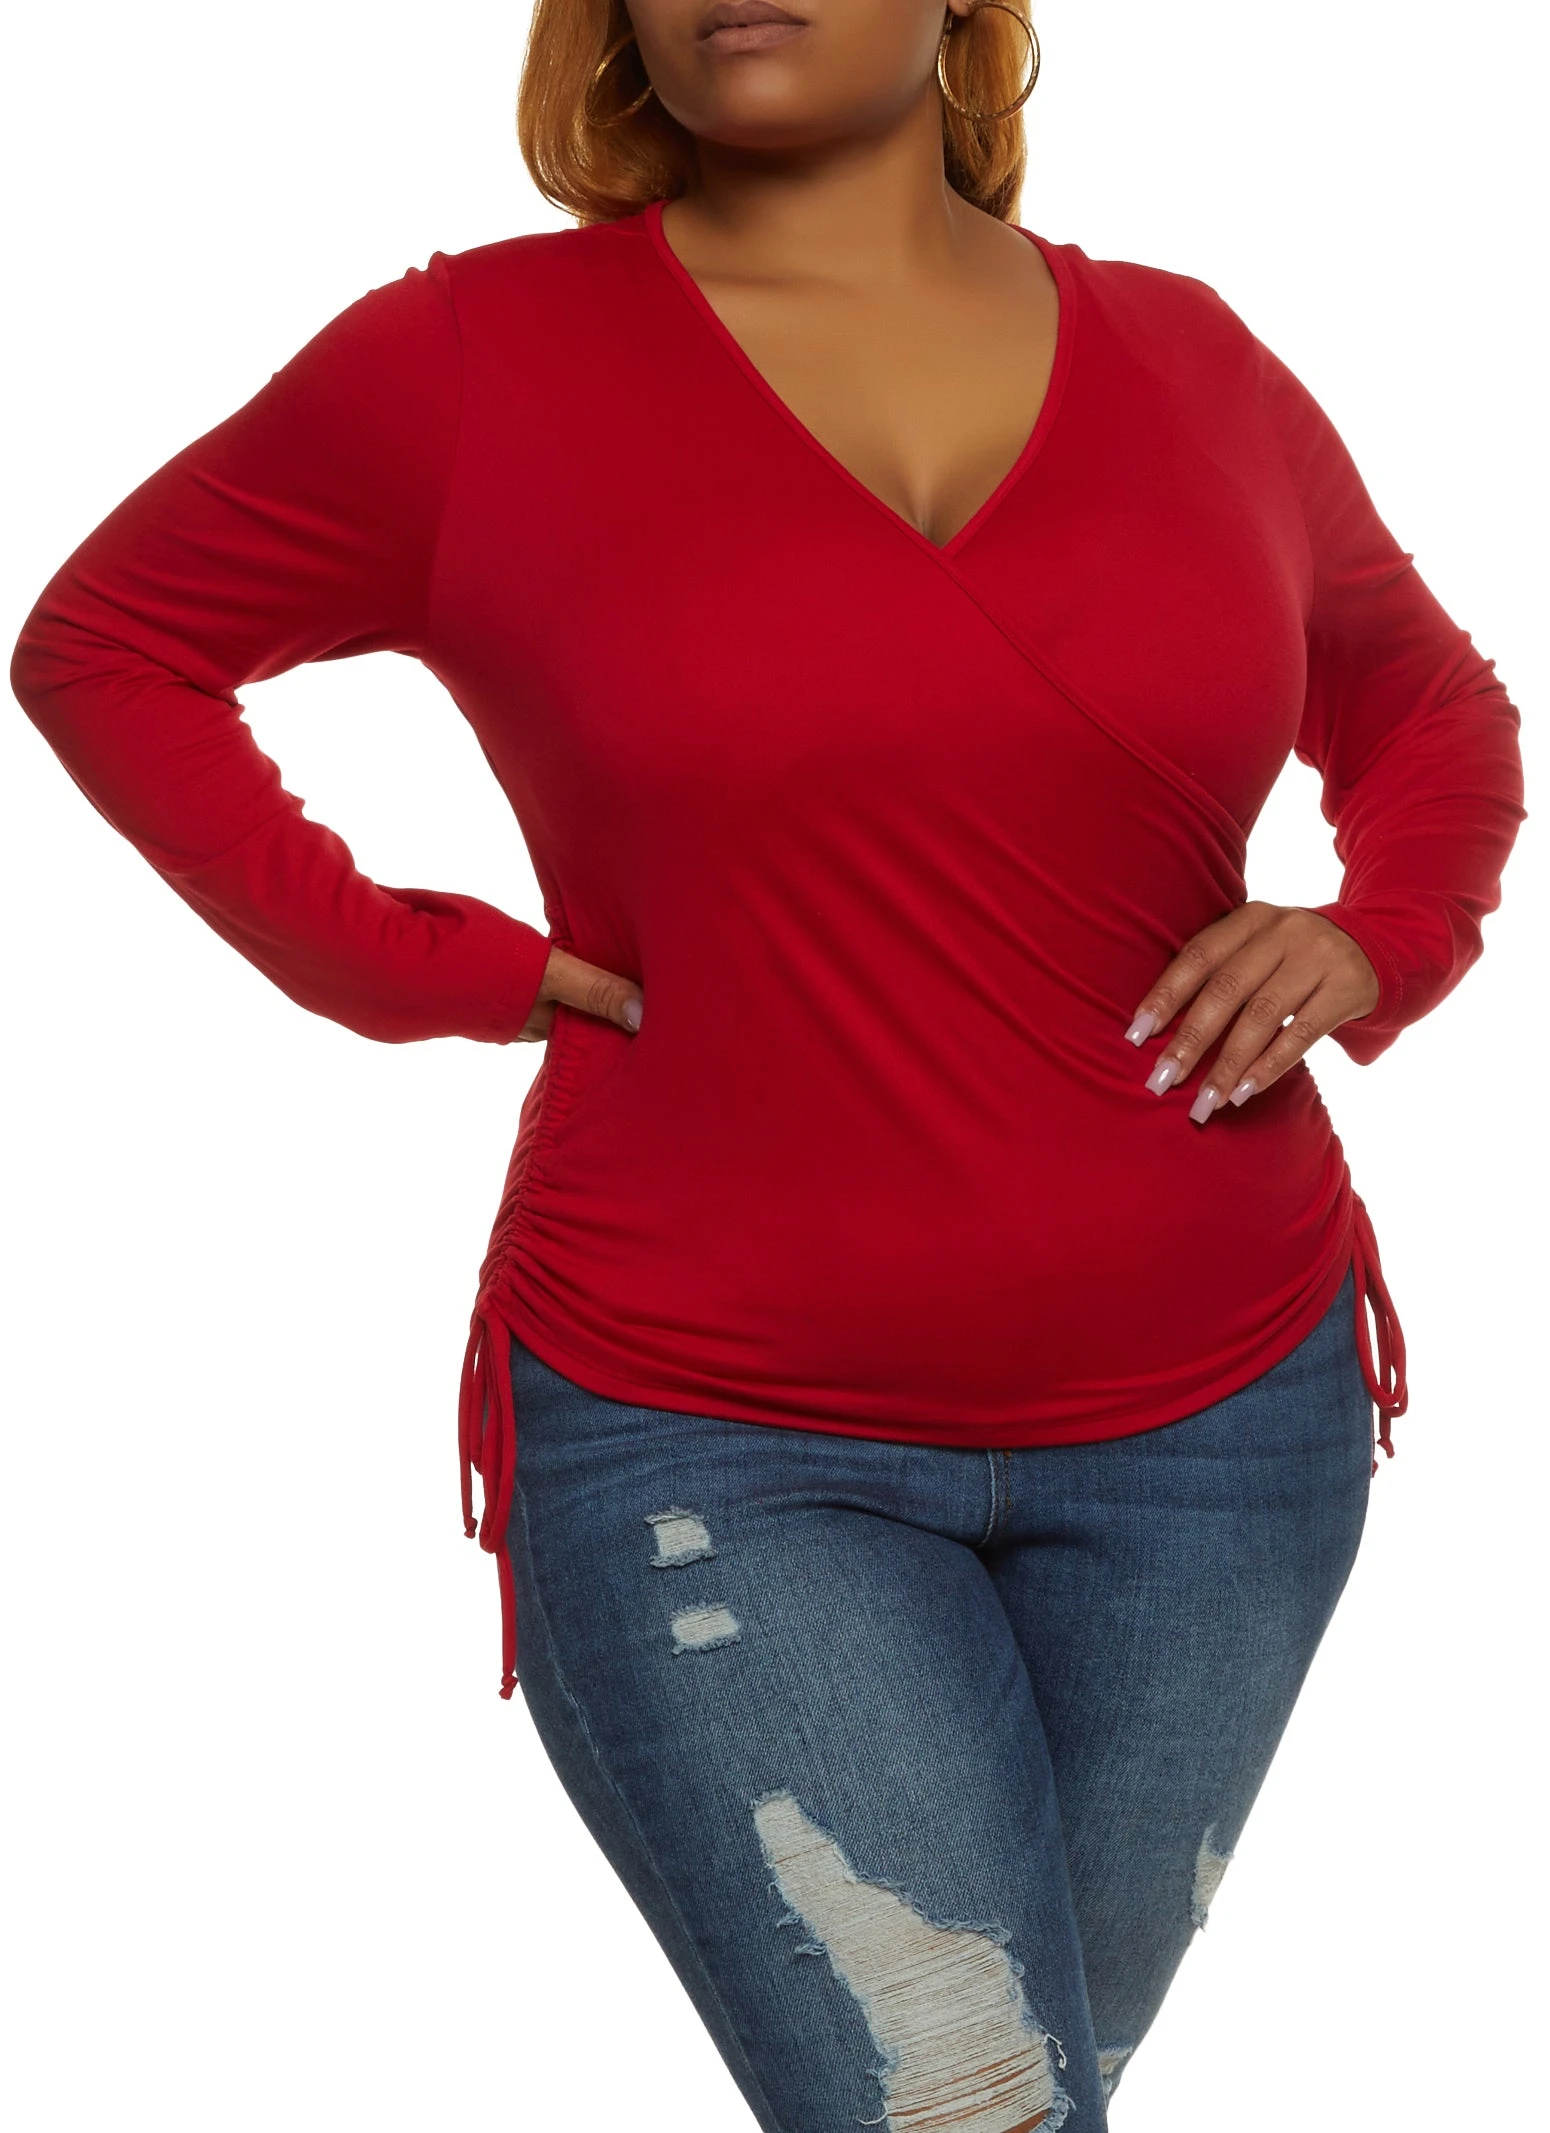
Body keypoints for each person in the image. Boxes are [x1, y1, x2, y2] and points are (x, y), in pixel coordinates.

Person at [8, 2, 1526, 2126]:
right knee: (960, 2109)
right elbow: (108, 643)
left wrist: (1378, 932)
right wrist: (411, 964)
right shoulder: (466, 364)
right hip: (711, 1427)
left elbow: (1429, 706)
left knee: (1020, 2098)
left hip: (1222, 1433)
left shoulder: (1192, 359)